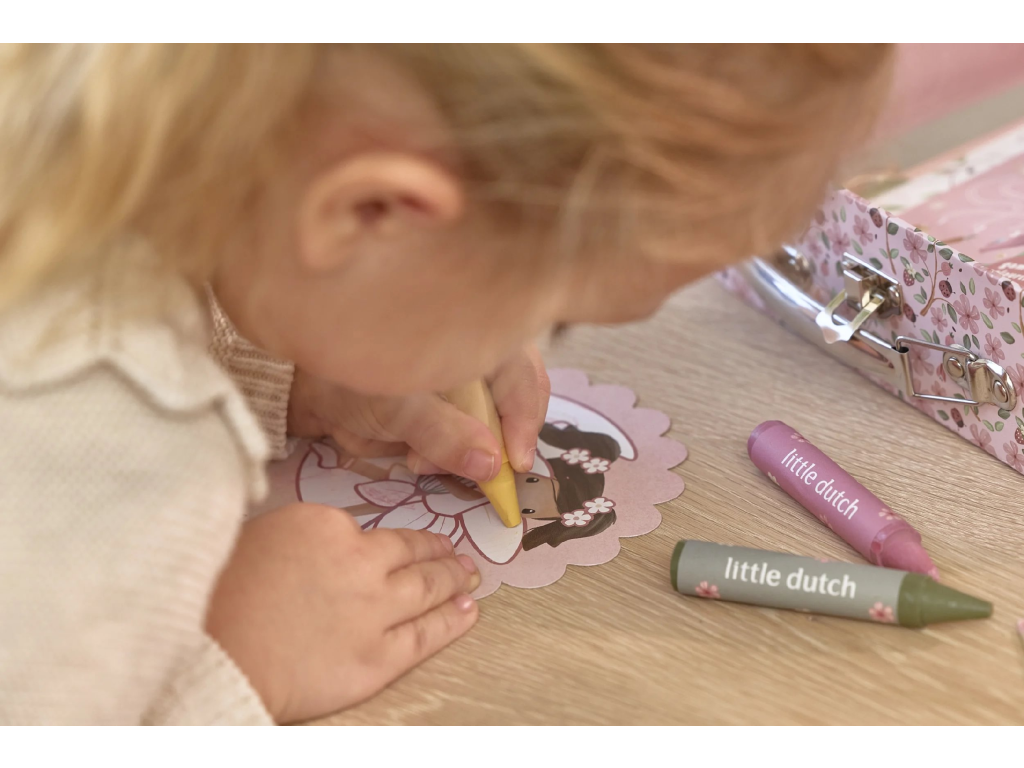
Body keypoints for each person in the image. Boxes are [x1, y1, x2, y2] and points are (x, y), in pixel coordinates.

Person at [0, 43, 894, 725]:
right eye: (550, 316)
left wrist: (291, 379)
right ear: (375, 213)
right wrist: (233, 665)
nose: (525, 353)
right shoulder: (115, 445)